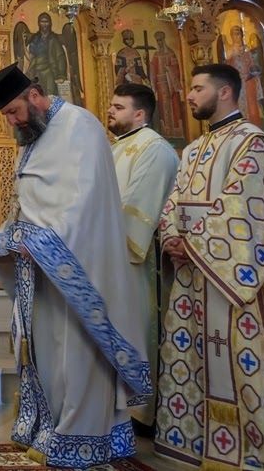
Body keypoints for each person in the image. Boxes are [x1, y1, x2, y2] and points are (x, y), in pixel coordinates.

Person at [0, 64, 149, 468]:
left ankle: (81, 435)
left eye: (14, 111)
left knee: (75, 349)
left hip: (78, 261)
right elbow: (31, 198)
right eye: (6, 115)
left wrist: (40, 241)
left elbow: (84, 200)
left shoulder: (79, 126)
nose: (12, 121)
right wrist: (5, 239)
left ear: (35, 96)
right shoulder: (35, 133)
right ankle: (50, 426)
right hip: (40, 263)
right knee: (46, 349)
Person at [154, 64, 264, 469]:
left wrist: (192, 243)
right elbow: (174, 199)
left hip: (231, 276)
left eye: (196, 88)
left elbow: (245, 207)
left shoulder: (252, 142)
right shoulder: (192, 149)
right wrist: (171, 235)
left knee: (241, 359)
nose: (188, 95)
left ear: (224, 92)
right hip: (192, 274)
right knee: (193, 357)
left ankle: (257, 448)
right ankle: (196, 441)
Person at [105, 83, 178, 432]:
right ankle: (118, 406)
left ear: (140, 114)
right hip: (110, 256)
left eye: (118, 107)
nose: (110, 111)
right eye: (111, 105)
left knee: (137, 327)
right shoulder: (117, 148)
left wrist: (102, 238)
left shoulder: (155, 148)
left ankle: (141, 413)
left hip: (136, 259)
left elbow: (138, 205)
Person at [224, 24, 264, 127]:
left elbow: (253, 67)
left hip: (248, 84)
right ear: (231, 36)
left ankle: (252, 129)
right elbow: (226, 68)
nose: (236, 36)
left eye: (238, 34)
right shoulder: (229, 52)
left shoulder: (247, 51)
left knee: (251, 109)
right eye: (234, 34)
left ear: (242, 35)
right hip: (236, 85)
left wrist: (252, 75)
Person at [150, 30, 185, 138]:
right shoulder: (156, 55)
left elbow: (176, 69)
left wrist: (169, 69)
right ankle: (166, 133)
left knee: (174, 107)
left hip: (171, 85)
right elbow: (153, 71)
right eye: (157, 41)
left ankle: (177, 133)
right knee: (162, 108)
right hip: (161, 86)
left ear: (164, 40)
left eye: (161, 40)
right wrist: (153, 85)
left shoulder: (171, 53)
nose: (159, 42)